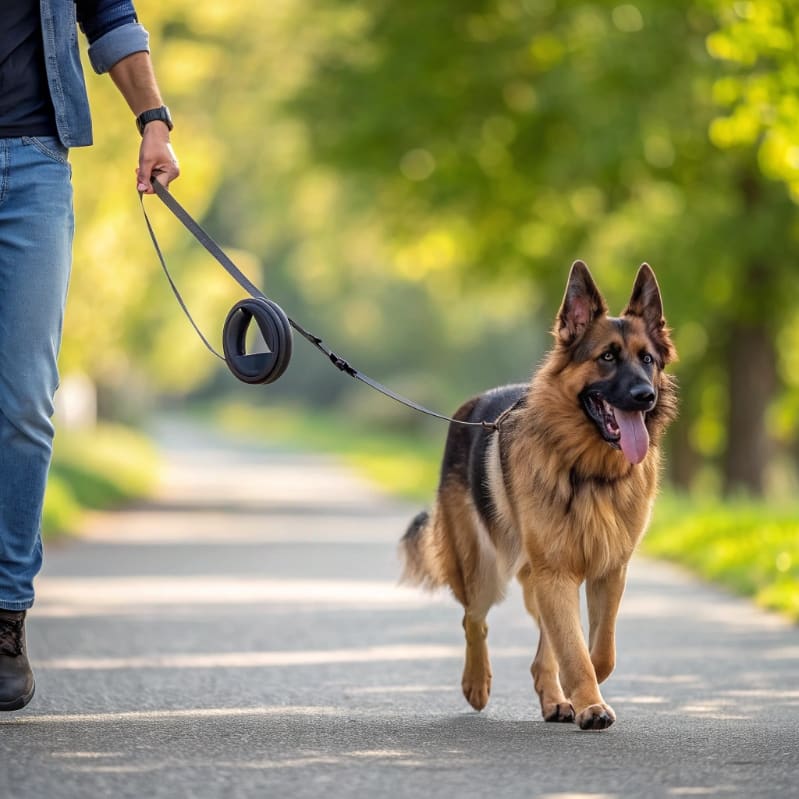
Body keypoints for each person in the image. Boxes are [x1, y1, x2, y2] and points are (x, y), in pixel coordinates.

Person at [0, 0, 179, 711]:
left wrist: (154, 121)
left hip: (34, 166)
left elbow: (108, 14)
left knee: (23, 404)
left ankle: (5, 617)